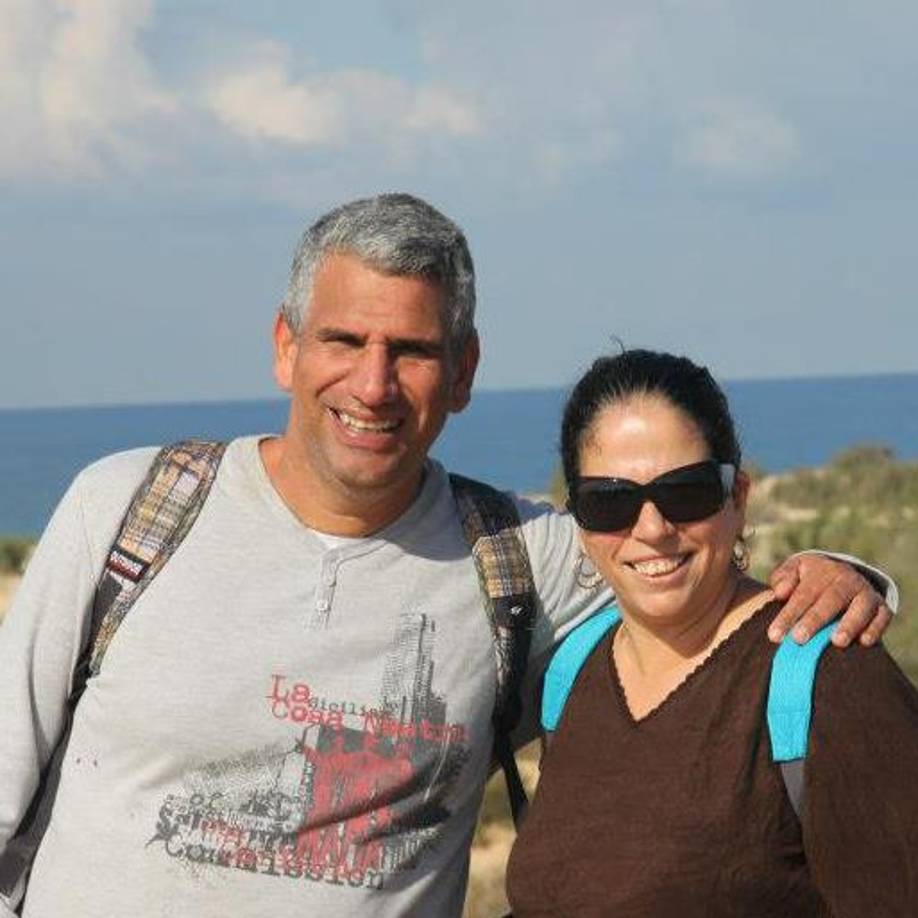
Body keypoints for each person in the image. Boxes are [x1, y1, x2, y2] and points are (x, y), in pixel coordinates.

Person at [0, 194, 894, 918]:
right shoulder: (131, 511)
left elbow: (682, 562)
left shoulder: (518, 557)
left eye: (414, 351)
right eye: (345, 340)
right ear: (286, 346)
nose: (374, 384)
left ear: (463, 373)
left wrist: (839, 574)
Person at [506, 349, 918, 917]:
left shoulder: (828, 676)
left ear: (738, 498)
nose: (652, 529)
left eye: (686, 492)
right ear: (579, 520)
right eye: (610, 501)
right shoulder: (572, 673)